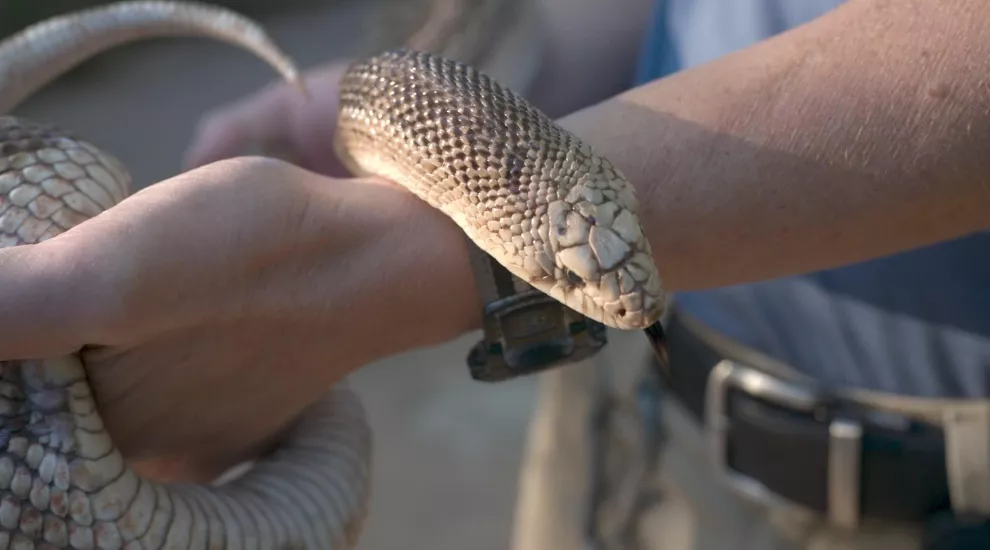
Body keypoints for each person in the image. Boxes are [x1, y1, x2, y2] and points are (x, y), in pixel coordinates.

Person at [0, 0, 987, 547]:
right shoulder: (585, 255)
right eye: (578, 273)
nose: (620, 295)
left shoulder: (565, 242)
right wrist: (535, 66)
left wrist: (388, 266)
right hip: (647, 418)